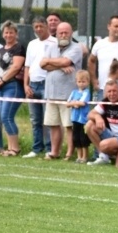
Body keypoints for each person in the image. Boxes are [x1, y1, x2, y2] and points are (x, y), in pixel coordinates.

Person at [40, 21, 82, 160]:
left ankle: (69, 153)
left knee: (68, 125)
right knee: (53, 124)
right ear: (56, 34)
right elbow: (42, 64)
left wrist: (51, 61)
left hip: (68, 95)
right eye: (61, 33)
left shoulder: (76, 48)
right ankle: (54, 152)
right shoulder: (51, 47)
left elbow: (65, 62)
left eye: (66, 32)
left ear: (71, 33)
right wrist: (60, 65)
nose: (63, 35)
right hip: (51, 93)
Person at [85, 78, 118, 167]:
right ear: (106, 92)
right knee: (89, 125)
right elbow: (90, 114)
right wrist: (97, 117)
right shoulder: (106, 102)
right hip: (113, 136)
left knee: (104, 145)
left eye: (114, 91)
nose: (112, 94)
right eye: (109, 91)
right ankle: (103, 157)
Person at [23, 16, 57, 158]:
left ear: (46, 26)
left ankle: (50, 148)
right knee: (35, 120)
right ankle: (37, 148)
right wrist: (26, 85)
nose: (38, 29)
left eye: (40, 26)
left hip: (47, 84)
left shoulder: (55, 42)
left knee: (47, 119)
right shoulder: (32, 44)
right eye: (36, 27)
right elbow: (27, 66)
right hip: (33, 84)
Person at [0, 21, 26, 157]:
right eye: (6, 32)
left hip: (12, 86)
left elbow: (16, 67)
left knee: (7, 116)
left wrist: (3, 80)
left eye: (11, 32)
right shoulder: (0, 50)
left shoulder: (19, 48)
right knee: (3, 117)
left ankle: (15, 148)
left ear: (16, 34)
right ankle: (10, 147)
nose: (8, 35)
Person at [67, 70, 91, 164]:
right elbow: (68, 103)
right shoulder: (74, 92)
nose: (81, 84)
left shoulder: (87, 92)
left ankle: (85, 157)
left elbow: (82, 102)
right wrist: (74, 103)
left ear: (88, 82)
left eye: (83, 81)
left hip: (83, 119)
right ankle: (79, 156)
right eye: (79, 81)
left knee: (83, 138)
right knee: (76, 138)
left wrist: (75, 103)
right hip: (75, 118)